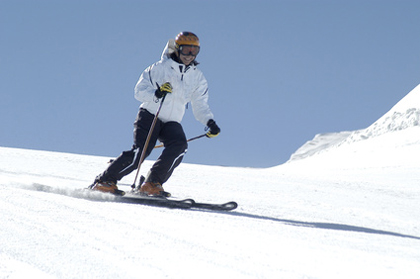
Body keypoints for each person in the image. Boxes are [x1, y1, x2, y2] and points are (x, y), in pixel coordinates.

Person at [90, 31, 220, 196]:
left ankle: (152, 183)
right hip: (150, 114)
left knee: (179, 146)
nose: (190, 55)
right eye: (187, 50)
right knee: (141, 152)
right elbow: (138, 92)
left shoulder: (197, 77)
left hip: (172, 121)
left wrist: (210, 122)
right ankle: (105, 181)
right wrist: (156, 93)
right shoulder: (159, 68)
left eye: (194, 51)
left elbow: (200, 104)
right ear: (177, 49)